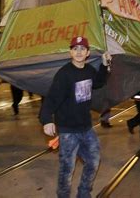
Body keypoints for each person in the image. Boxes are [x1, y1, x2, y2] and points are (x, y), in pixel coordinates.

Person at [39, 36, 111, 198]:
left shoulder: (89, 70)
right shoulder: (64, 74)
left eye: (82, 49)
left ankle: (84, 193)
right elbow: (52, 98)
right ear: (70, 52)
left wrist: (105, 65)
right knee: (67, 169)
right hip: (67, 130)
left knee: (93, 161)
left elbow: (98, 82)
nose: (79, 52)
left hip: (86, 127)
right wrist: (47, 119)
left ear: (87, 53)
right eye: (75, 49)